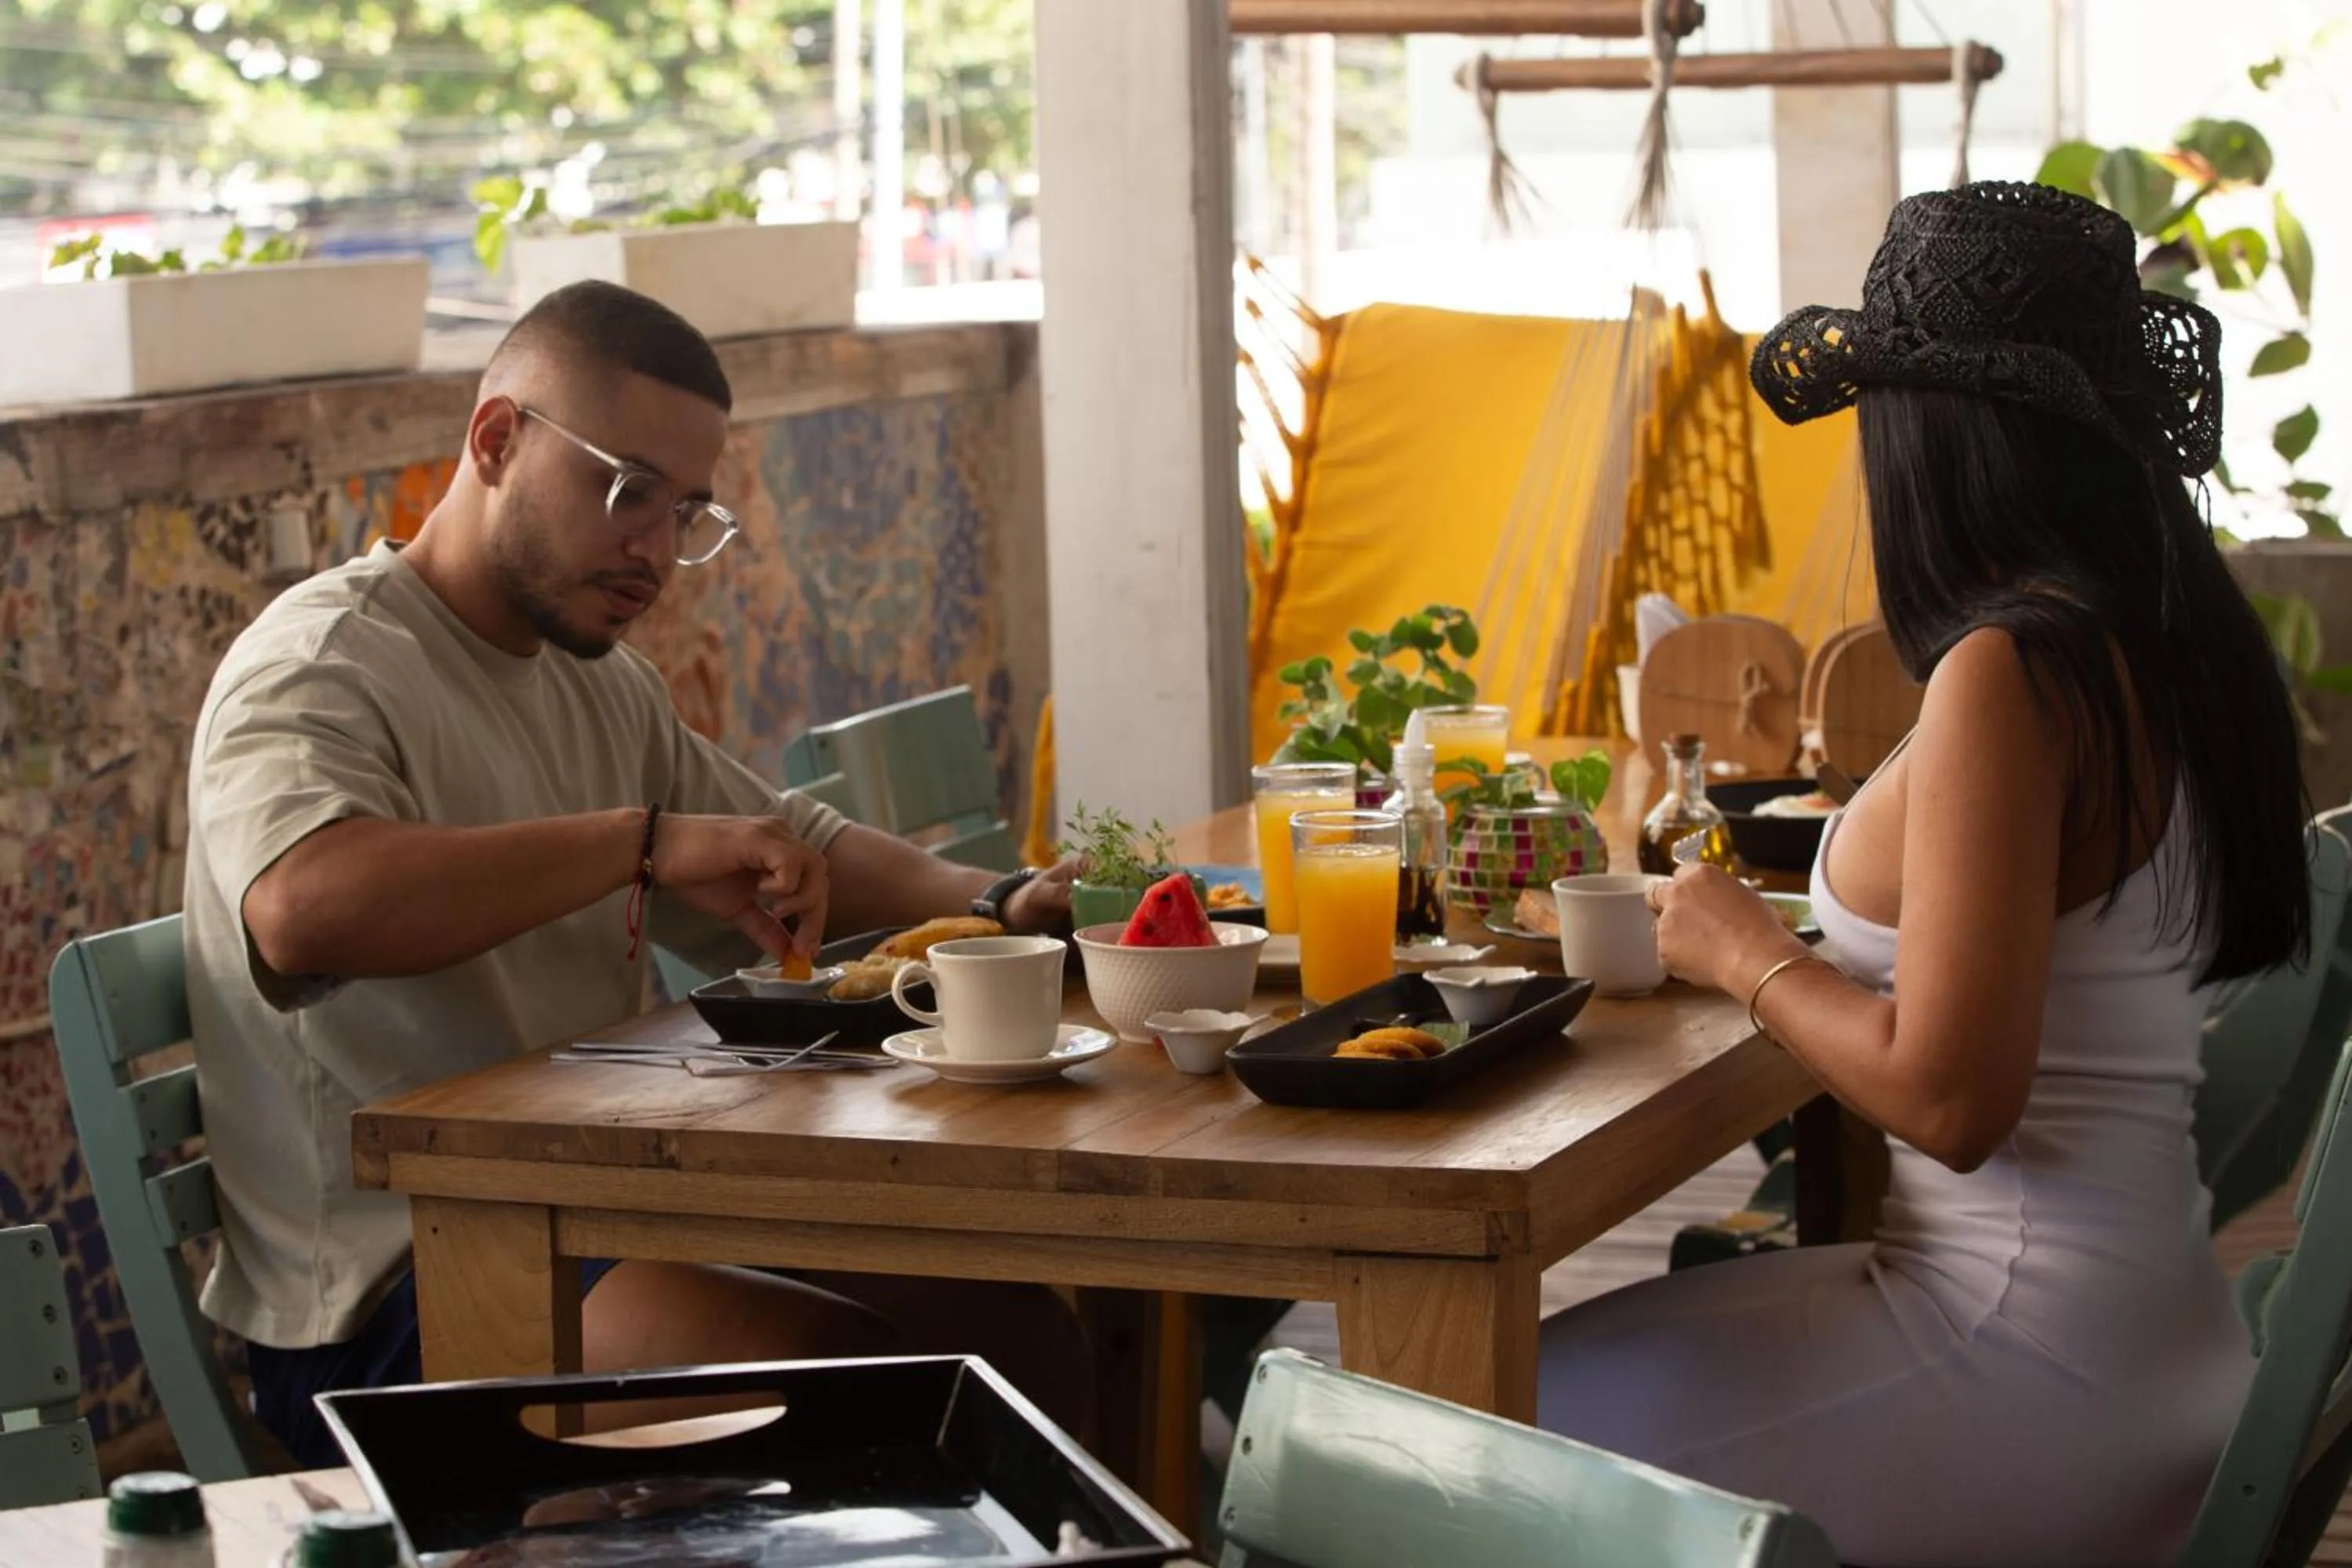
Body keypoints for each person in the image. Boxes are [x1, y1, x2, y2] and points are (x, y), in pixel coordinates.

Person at [1536, 183, 2309, 1565]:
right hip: (2134, 1334)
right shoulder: (2160, 643)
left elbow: (1952, 1099)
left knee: (1458, 1425)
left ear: (1929, 434)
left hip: (2027, 1369)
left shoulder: (2011, 675)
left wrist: (1740, 949)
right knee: (1506, 1383)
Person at [185, 280, 1080, 1466]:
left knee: (1027, 1334)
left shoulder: (596, 680)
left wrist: (996, 902)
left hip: (598, 1214)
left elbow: (778, 840)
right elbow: (301, 908)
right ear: (497, 439)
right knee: (840, 1386)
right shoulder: (323, 664)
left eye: (687, 511)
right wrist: (640, 844)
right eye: (626, 490)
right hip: (396, 1288)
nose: (656, 549)